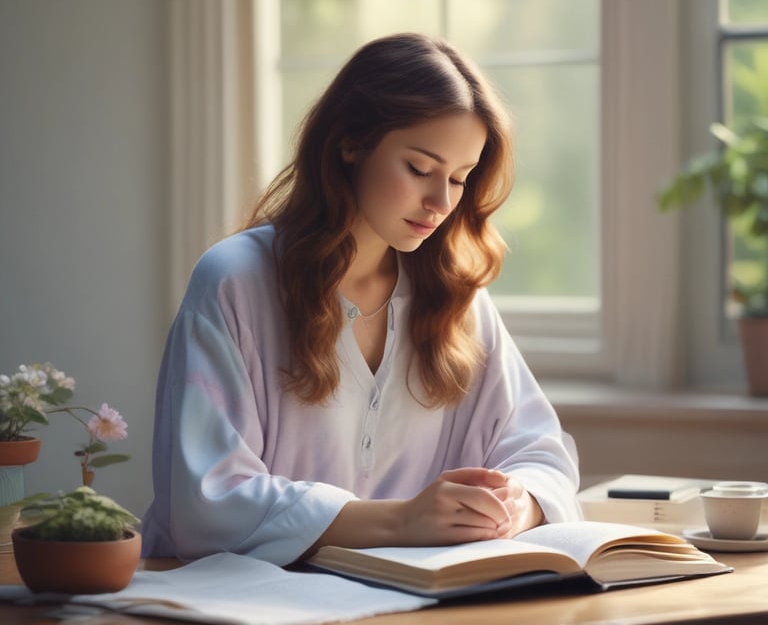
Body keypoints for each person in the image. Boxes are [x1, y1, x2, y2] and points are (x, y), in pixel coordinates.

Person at [141, 32, 581, 566]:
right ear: (350, 142)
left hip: (406, 603)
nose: (440, 201)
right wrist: (402, 520)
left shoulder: (453, 296)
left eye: (460, 179)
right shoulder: (236, 281)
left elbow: (539, 450)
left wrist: (517, 504)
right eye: (419, 168)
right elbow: (206, 499)